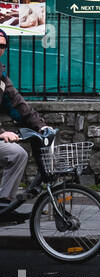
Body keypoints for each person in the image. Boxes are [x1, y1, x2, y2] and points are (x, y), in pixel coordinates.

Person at [0, 28, 49, 211]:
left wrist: (42, 127)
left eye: (2, 45)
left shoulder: (1, 77)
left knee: (18, 154)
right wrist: (2, 133)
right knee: (16, 153)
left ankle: (4, 202)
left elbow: (19, 105)